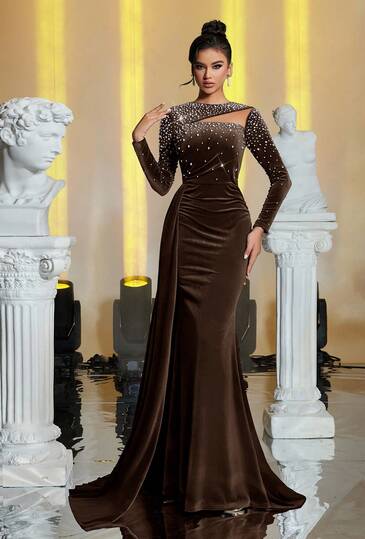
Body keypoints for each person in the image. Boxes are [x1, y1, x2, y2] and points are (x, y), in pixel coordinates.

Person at [69, 19, 306, 530]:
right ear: (192, 70)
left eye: (216, 66)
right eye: (200, 67)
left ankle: (222, 476)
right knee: (189, 347)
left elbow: (280, 178)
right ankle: (190, 477)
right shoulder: (176, 118)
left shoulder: (247, 116)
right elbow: (162, 184)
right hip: (185, 229)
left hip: (229, 231)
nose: (208, 74)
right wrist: (138, 138)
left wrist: (259, 229)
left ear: (229, 68)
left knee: (216, 345)